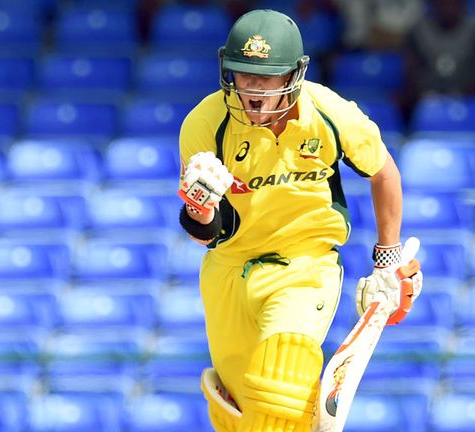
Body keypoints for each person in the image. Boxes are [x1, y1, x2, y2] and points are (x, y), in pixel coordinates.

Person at [176, 9, 423, 431]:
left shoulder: (330, 114)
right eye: (244, 75)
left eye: (267, 77)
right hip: (229, 270)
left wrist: (387, 257)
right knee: (240, 413)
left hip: (305, 266)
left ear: (294, 75)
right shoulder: (204, 123)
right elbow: (205, 234)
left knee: (281, 384)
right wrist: (199, 210)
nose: (253, 90)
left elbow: (383, 171)